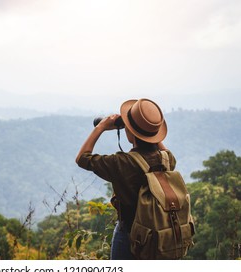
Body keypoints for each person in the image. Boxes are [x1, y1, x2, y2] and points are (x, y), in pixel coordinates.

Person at [75, 98, 176, 260]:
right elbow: (160, 148)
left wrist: (101, 127)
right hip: (161, 234)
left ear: (131, 132)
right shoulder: (167, 159)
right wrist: (148, 129)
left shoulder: (122, 162)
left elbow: (82, 158)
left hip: (130, 235)